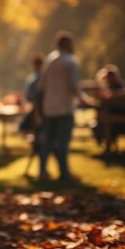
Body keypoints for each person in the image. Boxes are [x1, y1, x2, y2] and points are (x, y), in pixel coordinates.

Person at [37, 31, 92, 181]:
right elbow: (74, 86)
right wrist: (84, 99)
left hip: (49, 107)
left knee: (48, 141)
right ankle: (64, 173)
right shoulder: (70, 61)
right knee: (63, 141)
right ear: (66, 44)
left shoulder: (50, 60)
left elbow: (41, 86)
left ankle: (42, 171)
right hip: (64, 107)